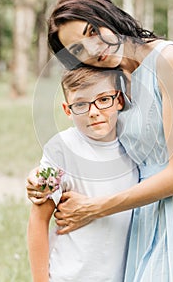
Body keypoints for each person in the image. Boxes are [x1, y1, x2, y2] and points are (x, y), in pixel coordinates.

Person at [28, 0, 173, 281]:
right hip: (141, 220)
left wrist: (94, 208)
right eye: (79, 50)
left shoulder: (170, 60)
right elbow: (93, 142)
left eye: (92, 31)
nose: (94, 49)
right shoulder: (115, 81)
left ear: (107, 14)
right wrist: (41, 177)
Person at [27, 66, 139, 282]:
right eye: (80, 104)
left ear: (119, 101)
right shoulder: (62, 149)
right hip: (69, 275)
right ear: (67, 110)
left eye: (104, 99)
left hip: (123, 274)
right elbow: (38, 220)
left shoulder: (135, 146)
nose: (94, 111)